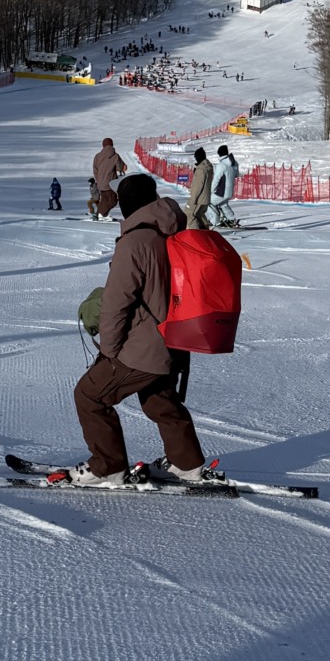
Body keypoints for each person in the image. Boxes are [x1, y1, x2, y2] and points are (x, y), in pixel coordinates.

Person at [55, 172, 207, 485]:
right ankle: (186, 463)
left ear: (127, 205)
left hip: (143, 346)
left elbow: (116, 304)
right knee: (159, 399)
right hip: (175, 340)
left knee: (90, 395)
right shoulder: (174, 232)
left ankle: (107, 466)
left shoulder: (135, 242)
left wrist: (109, 352)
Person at [90, 137, 125, 219]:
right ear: (112, 144)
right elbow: (120, 168)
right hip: (111, 183)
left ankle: (99, 215)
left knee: (104, 200)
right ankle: (101, 214)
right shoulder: (115, 156)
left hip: (101, 183)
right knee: (113, 201)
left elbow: (95, 170)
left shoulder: (97, 156)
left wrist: (98, 180)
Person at [186, 145, 215, 232]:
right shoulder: (208, 167)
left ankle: (196, 232)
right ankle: (206, 230)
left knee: (190, 214)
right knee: (200, 214)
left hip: (199, 199)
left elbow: (198, 186)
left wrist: (193, 200)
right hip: (205, 197)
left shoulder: (201, 169)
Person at [212, 143, 240, 230]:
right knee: (223, 204)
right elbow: (236, 175)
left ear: (220, 154)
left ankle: (215, 222)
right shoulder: (234, 163)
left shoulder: (221, 165)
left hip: (221, 191)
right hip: (229, 191)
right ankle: (231, 220)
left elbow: (216, 180)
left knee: (210, 203)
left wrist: (211, 190)